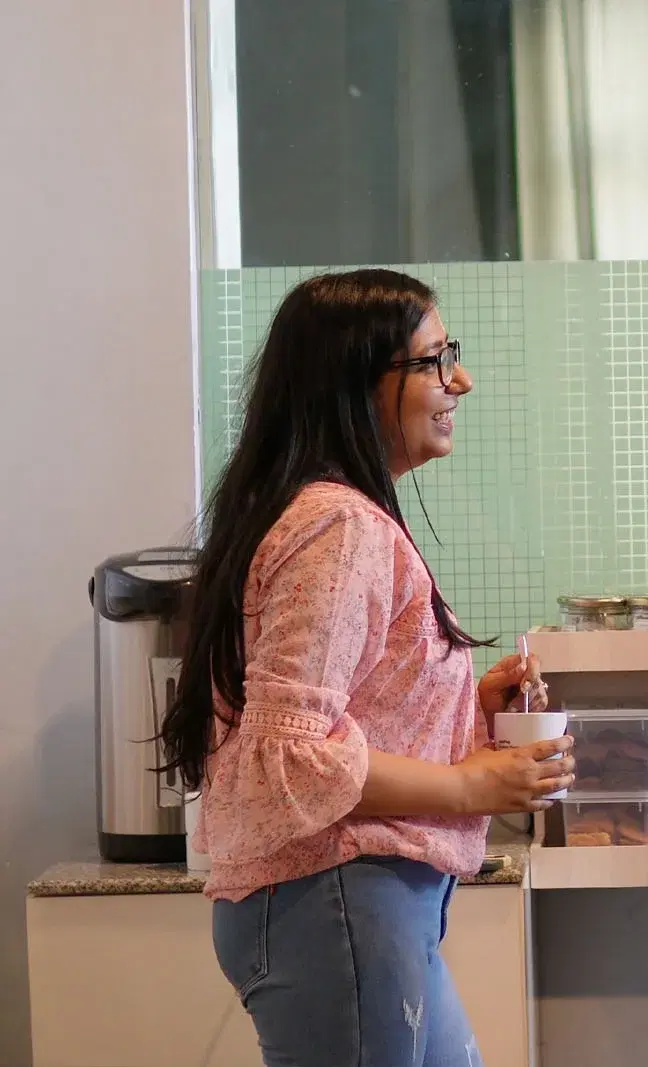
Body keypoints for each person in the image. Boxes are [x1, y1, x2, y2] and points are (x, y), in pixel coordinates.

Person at [158, 269, 576, 1067]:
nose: (461, 378)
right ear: (359, 383)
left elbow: (328, 709)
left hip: (345, 902)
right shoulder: (338, 525)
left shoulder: (318, 512)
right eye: (434, 359)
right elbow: (294, 750)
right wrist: (473, 785)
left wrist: (462, 709)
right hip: (338, 898)